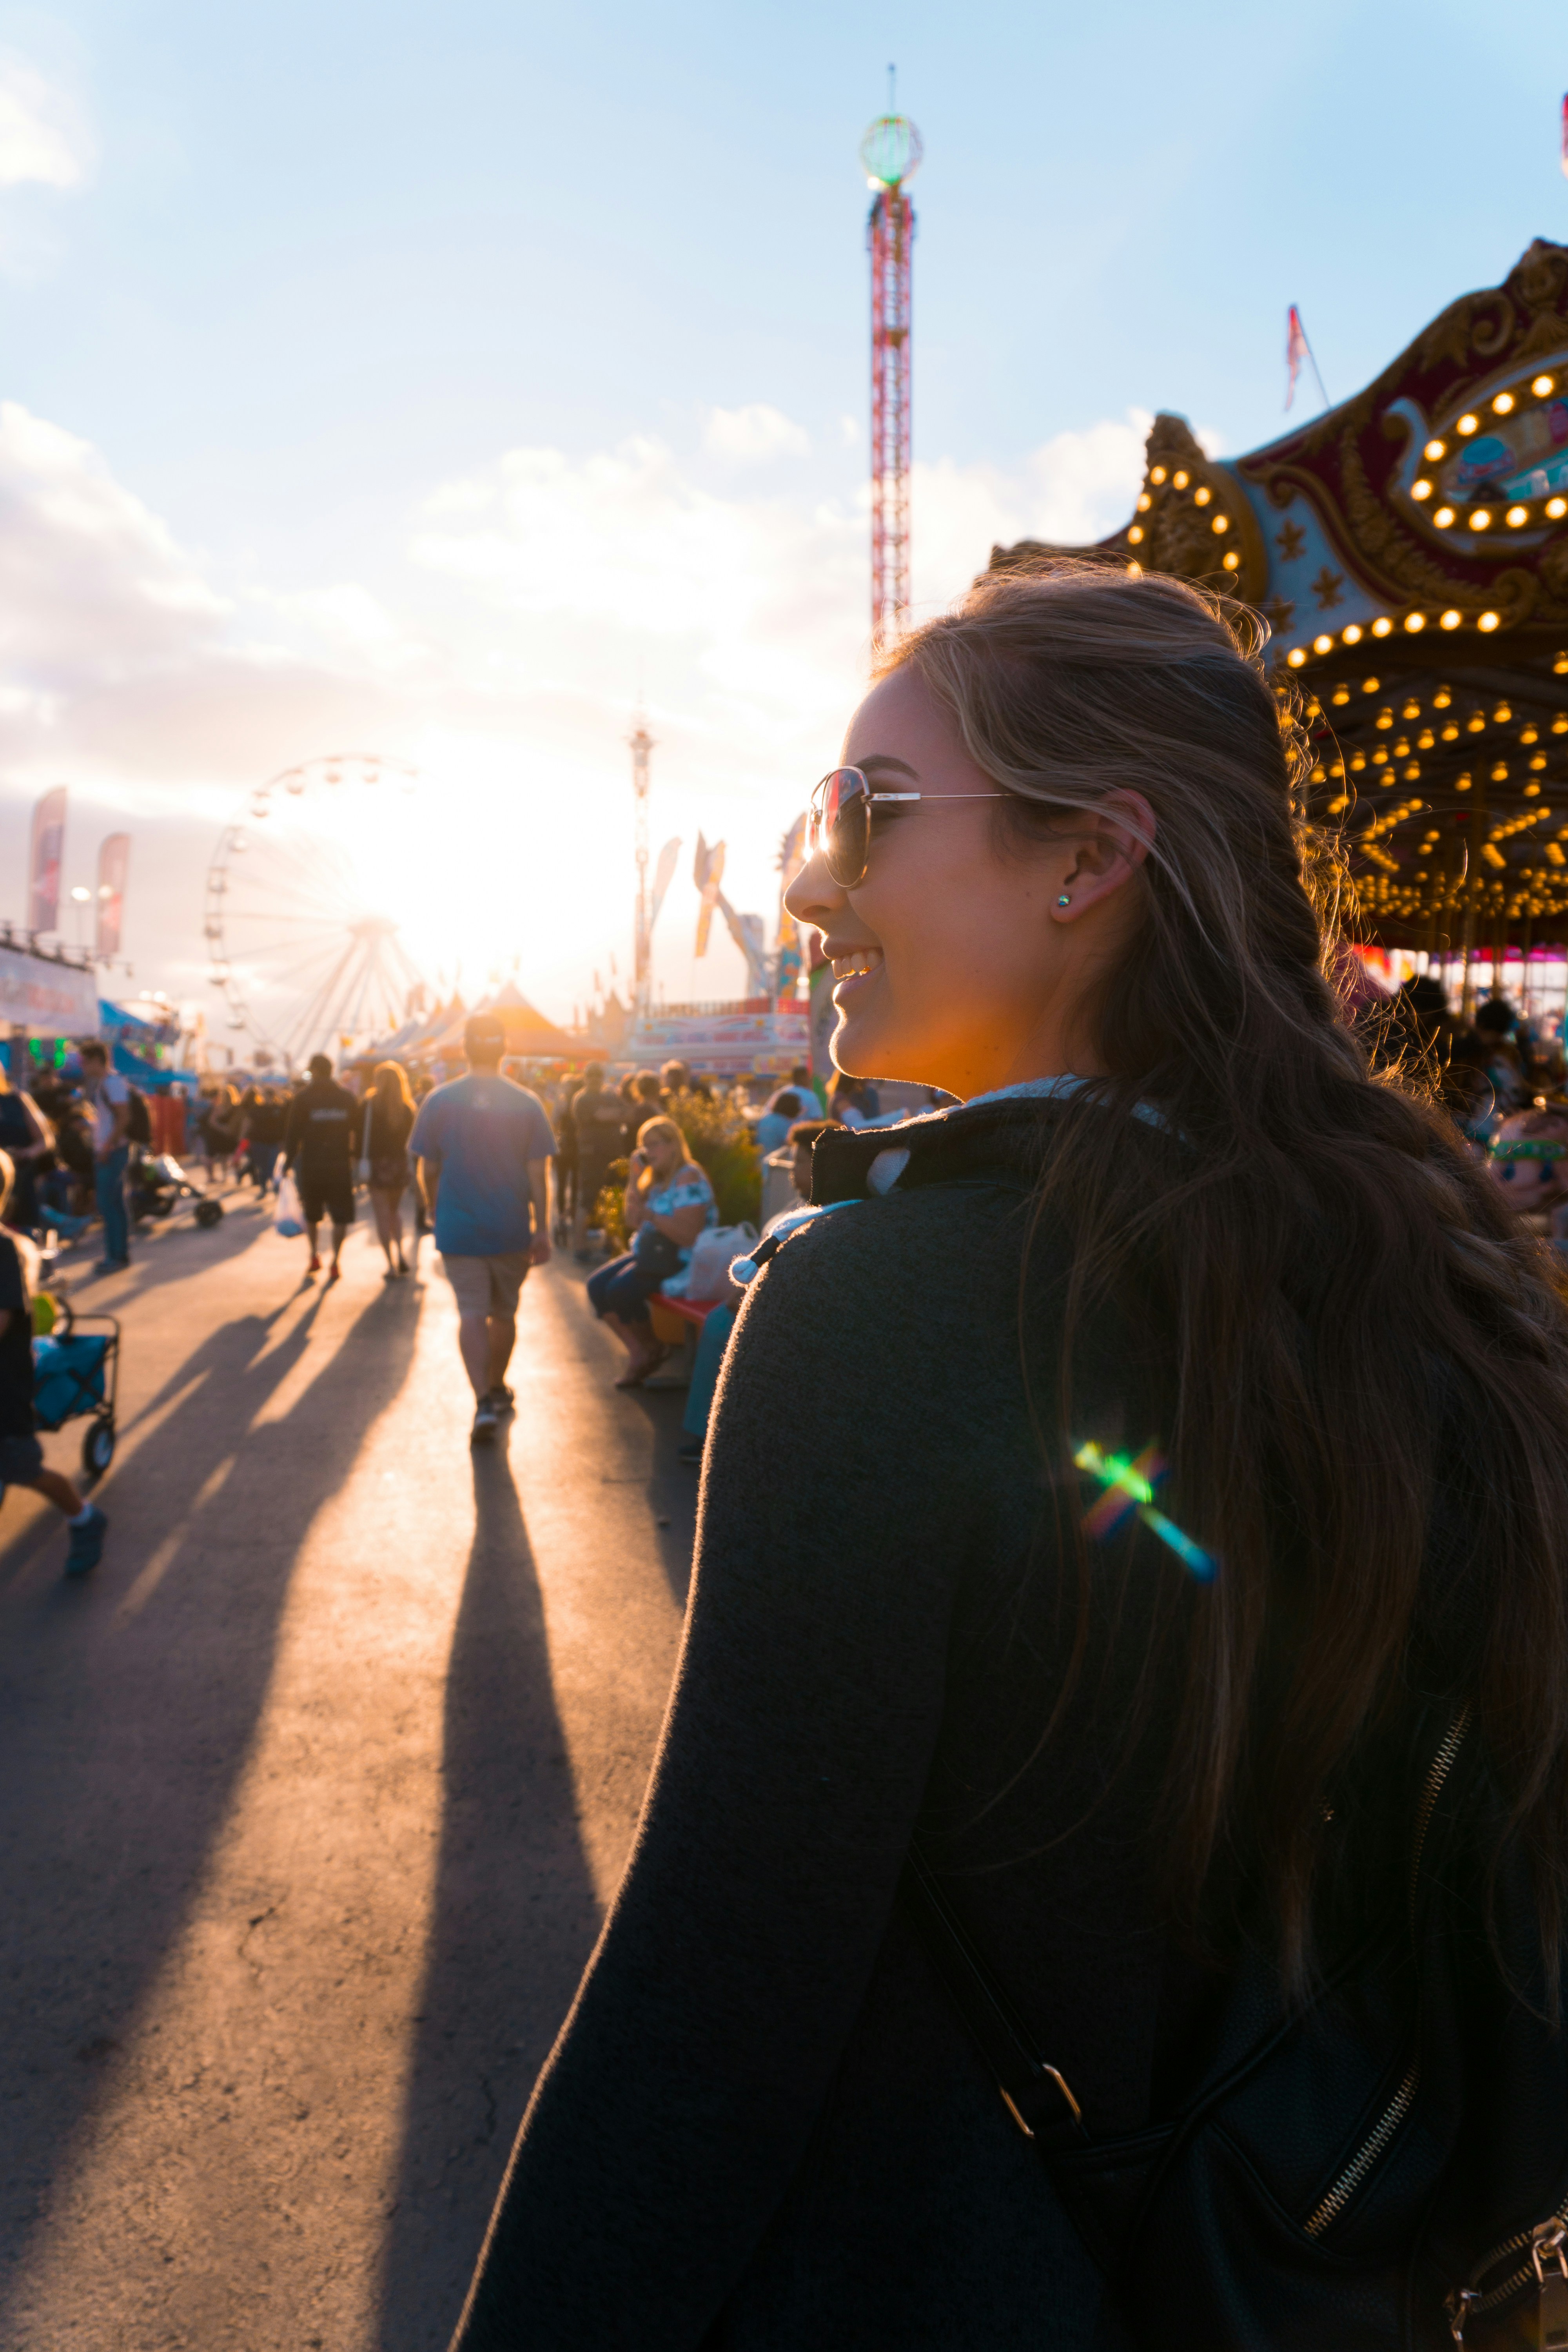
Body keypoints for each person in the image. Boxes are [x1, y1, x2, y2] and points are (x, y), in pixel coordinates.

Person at [446, 564, 1568, 2349]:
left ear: (1083, 860)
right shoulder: (1418, 1270)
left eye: (864, 814)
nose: (813, 884)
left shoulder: (883, 1309)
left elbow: (707, 2022)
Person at [411, 1012, 555, 1446]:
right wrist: (543, 1227)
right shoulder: (527, 1102)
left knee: (470, 1311)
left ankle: (481, 1402)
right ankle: (496, 1384)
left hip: (459, 1225)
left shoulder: (439, 1101)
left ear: (465, 1048)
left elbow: (428, 1167)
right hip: (510, 1225)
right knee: (504, 1313)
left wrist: (435, 1209)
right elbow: (538, 1172)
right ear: (504, 1048)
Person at [0, 1149, 107, 1574]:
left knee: (25, 1467)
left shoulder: (5, 1250)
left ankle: (85, 1517)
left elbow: (4, 1317)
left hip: (4, 1387)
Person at [584, 1116, 715, 1388]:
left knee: (621, 1290)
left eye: (654, 1145)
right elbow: (632, 1220)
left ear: (673, 1145)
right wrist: (634, 1178)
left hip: (682, 1259)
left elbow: (689, 1237)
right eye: (644, 1148)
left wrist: (652, 1217)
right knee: (597, 1286)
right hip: (654, 1253)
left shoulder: (687, 1177)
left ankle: (651, 1349)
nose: (648, 1153)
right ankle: (642, 1351)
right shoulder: (658, 1179)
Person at [282, 1053, 358, 1284]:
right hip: (340, 1166)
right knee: (341, 1217)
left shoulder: (303, 1099)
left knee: (312, 1214)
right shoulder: (346, 1098)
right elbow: (358, 1131)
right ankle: (336, 1261)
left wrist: (287, 1163)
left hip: (312, 1165)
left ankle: (314, 1254)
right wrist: (356, 1160)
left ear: (314, 1071)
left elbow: (293, 1134)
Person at [77, 1040, 132, 1273]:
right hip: (112, 1149)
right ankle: (117, 1254)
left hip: (112, 1151)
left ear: (97, 1060)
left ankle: (116, 1256)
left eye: (85, 1061)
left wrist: (107, 1147)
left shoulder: (112, 1083)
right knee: (114, 1205)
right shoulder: (107, 1083)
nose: (83, 1066)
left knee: (108, 1205)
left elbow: (124, 1117)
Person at [362, 1060, 417, 1279]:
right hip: (400, 1164)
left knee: (382, 1215)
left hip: (378, 1164)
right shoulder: (407, 1108)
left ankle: (390, 1265)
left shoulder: (371, 1105)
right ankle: (401, 1254)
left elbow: (362, 1137)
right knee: (395, 1213)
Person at [570, 1063, 632, 1258]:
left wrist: (611, 1114)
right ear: (586, 1077)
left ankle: (610, 1242)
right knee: (588, 1199)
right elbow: (603, 1116)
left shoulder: (610, 1096)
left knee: (615, 1198)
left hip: (614, 1155)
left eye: (599, 1075)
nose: (596, 1079)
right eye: (592, 1076)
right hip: (592, 1156)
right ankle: (580, 1246)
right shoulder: (582, 1099)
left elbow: (628, 1114)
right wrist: (613, 1114)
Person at [0, 1062, 55, 1235]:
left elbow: (46, 1139)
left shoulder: (17, 1099)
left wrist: (26, 1153)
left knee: (27, 1230)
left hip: (22, 1178)